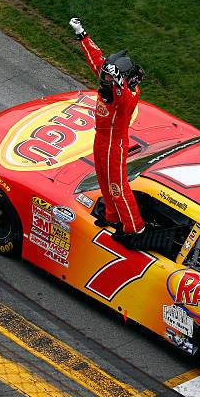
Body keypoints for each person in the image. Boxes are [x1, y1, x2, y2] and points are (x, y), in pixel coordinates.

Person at [69, 18, 146, 245]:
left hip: (115, 144)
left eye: (109, 76)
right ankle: (112, 216)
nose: (103, 78)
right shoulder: (109, 85)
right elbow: (96, 60)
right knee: (102, 180)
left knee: (117, 187)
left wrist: (118, 83)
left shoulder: (129, 94)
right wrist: (82, 35)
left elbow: (123, 100)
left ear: (123, 79)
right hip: (101, 139)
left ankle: (135, 227)